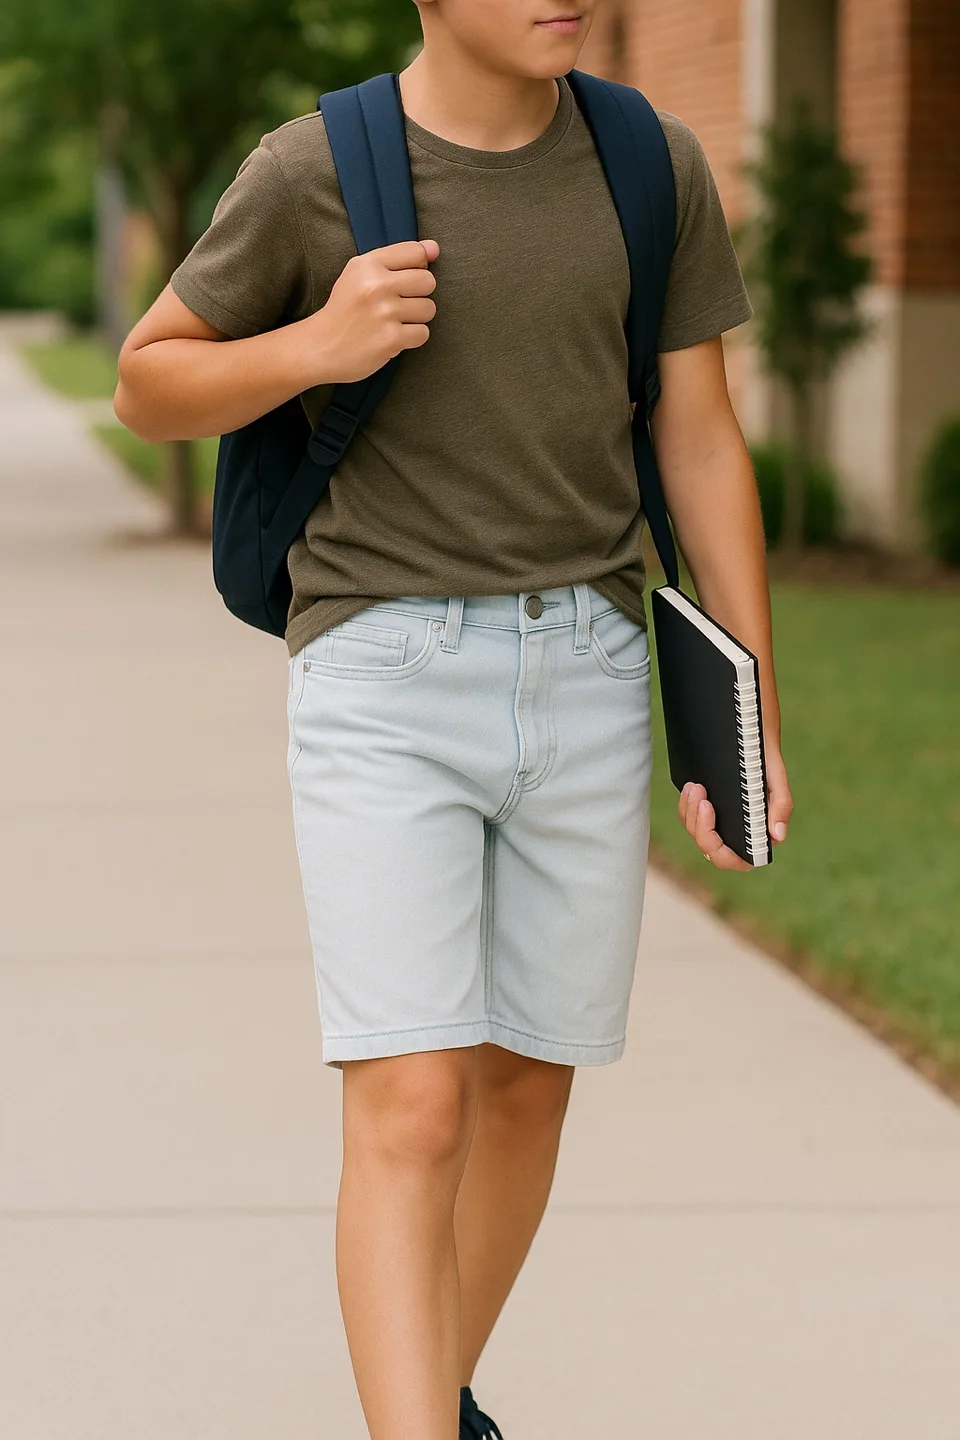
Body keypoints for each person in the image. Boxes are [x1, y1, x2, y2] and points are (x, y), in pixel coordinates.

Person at [115, 1, 794, 1435]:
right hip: (386, 676)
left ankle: (421, 1401)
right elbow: (150, 380)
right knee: (413, 1104)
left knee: (529, 1091)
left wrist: (748, 711)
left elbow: (699, 434)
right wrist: (318, 342)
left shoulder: (647, 164)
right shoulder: (315, 168)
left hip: (595, 670)